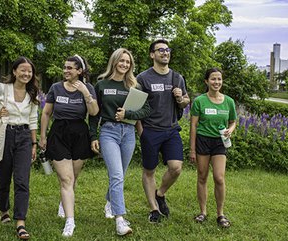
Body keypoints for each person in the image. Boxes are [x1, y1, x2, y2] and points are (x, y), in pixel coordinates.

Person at [89, 48, 151, 235]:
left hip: (129, 133)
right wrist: (93, 135)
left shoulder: (134, 86)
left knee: (120, 175)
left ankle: (110, 202)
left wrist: (128, 114)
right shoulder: (101, 84)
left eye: (128, 62)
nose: (125, 64)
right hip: (109, 132)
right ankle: (120, 220)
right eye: (122, 61)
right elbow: (94, 113)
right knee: (116, 176)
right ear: (114, 61)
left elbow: (146, 110)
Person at [0, 56, 39, 240]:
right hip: (5, 135)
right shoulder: (3, 89)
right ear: (14, 71)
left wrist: (34, 143)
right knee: (3, 177)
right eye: (22, 70)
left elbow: (33, 119)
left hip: (24, 138)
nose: (26, 74)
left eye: (29, 71)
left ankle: (20, 222)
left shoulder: (32, 93)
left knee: (22, 179)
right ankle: (3, 210)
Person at [39, 55, 98, 237]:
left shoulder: (88, 88)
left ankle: (64, 202)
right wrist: (43, 136)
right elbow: (46, 112)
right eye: (64, 67)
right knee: (66, 179)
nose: (65, 71)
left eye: (70, 68)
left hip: (80, 133)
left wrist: (85, 93)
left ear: (79, 71)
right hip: (59, 132)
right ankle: (70, 222)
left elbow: (94, 112)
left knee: (73, 177)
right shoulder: (56, 88)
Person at [136, 39, 190, 223]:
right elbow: (136, 106)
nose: (165, 53)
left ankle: (160, 194)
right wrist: (141, 131)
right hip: (150, 130)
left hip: (171, 129)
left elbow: (185, 100)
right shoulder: (143, 78)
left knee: (176, 168)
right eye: (160, 50)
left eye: (167, 50)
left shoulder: (177, 77)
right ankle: (154, 209)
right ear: (152, 55)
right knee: (149, 170)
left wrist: (180, 99)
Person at [189, 68, 237, 228]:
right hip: (202, 140)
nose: (216, 82)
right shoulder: (199, 101)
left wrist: (231, 129)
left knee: (219, 177)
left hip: (219, 142)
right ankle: (203, 212)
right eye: (213, 79)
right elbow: (193, 126)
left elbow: (233, 121)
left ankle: (220, 214)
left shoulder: (229, 101)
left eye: (219, 79)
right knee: (202, 177)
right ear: (206, 81)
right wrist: (192, 149)